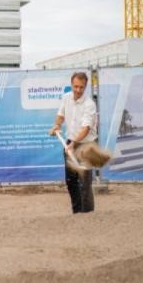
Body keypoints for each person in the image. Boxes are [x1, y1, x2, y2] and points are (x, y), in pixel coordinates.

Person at [49, 72, 97, 214]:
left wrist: (74, 143)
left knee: (85, 183)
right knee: (71, 181)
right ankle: (77, 213)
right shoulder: (66, 98)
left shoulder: (89, 104)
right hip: (70, 142)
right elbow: (60, 115)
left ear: (85, 86)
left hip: (86, 145)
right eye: (75, 86)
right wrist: (57, 125)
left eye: (81, 87)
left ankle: (87, 214)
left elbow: (86, 128)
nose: (78, 90)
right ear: (71, 84)